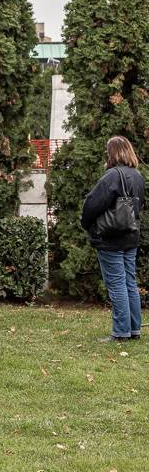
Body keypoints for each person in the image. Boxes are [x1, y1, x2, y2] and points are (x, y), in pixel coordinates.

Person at [80, 135, 145, 341]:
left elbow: (92, 205)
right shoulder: (137, 175)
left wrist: (87, 224)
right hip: (130, 236)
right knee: (129, 283)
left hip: (110, 238)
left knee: (116, 284)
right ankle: (134, 329)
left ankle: (120, 332)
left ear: (112, 153)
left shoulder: (111, 176)